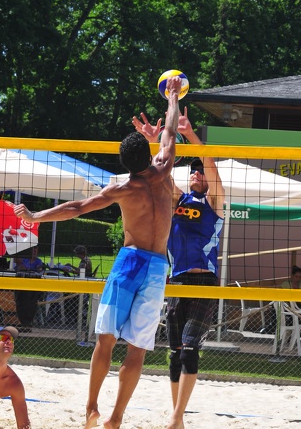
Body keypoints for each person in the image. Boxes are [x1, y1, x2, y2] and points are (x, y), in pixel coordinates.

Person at [13, 75, 182, 429]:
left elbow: (75, 207)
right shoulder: (165, 168)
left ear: (125, 161)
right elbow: (169, 131)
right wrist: (172, 98)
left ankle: (92, 409)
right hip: (156, 268)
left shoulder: (123, 188)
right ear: (148, 154)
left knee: (105, 340)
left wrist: (36, 216)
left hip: (130, 263)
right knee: (137, 348)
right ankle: (117, 417)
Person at [132, 107, 225, 429]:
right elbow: (159, 173)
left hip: (204, 282)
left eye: (200, 172)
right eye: (193, 171)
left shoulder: (215, 203)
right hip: (177, 282)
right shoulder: (178, 200)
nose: (197, 173)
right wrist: (154, 142)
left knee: (188, 350)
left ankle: (175, 417)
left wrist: (190, 134)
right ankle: (178, 417)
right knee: (173, 353)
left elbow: (212, 166)